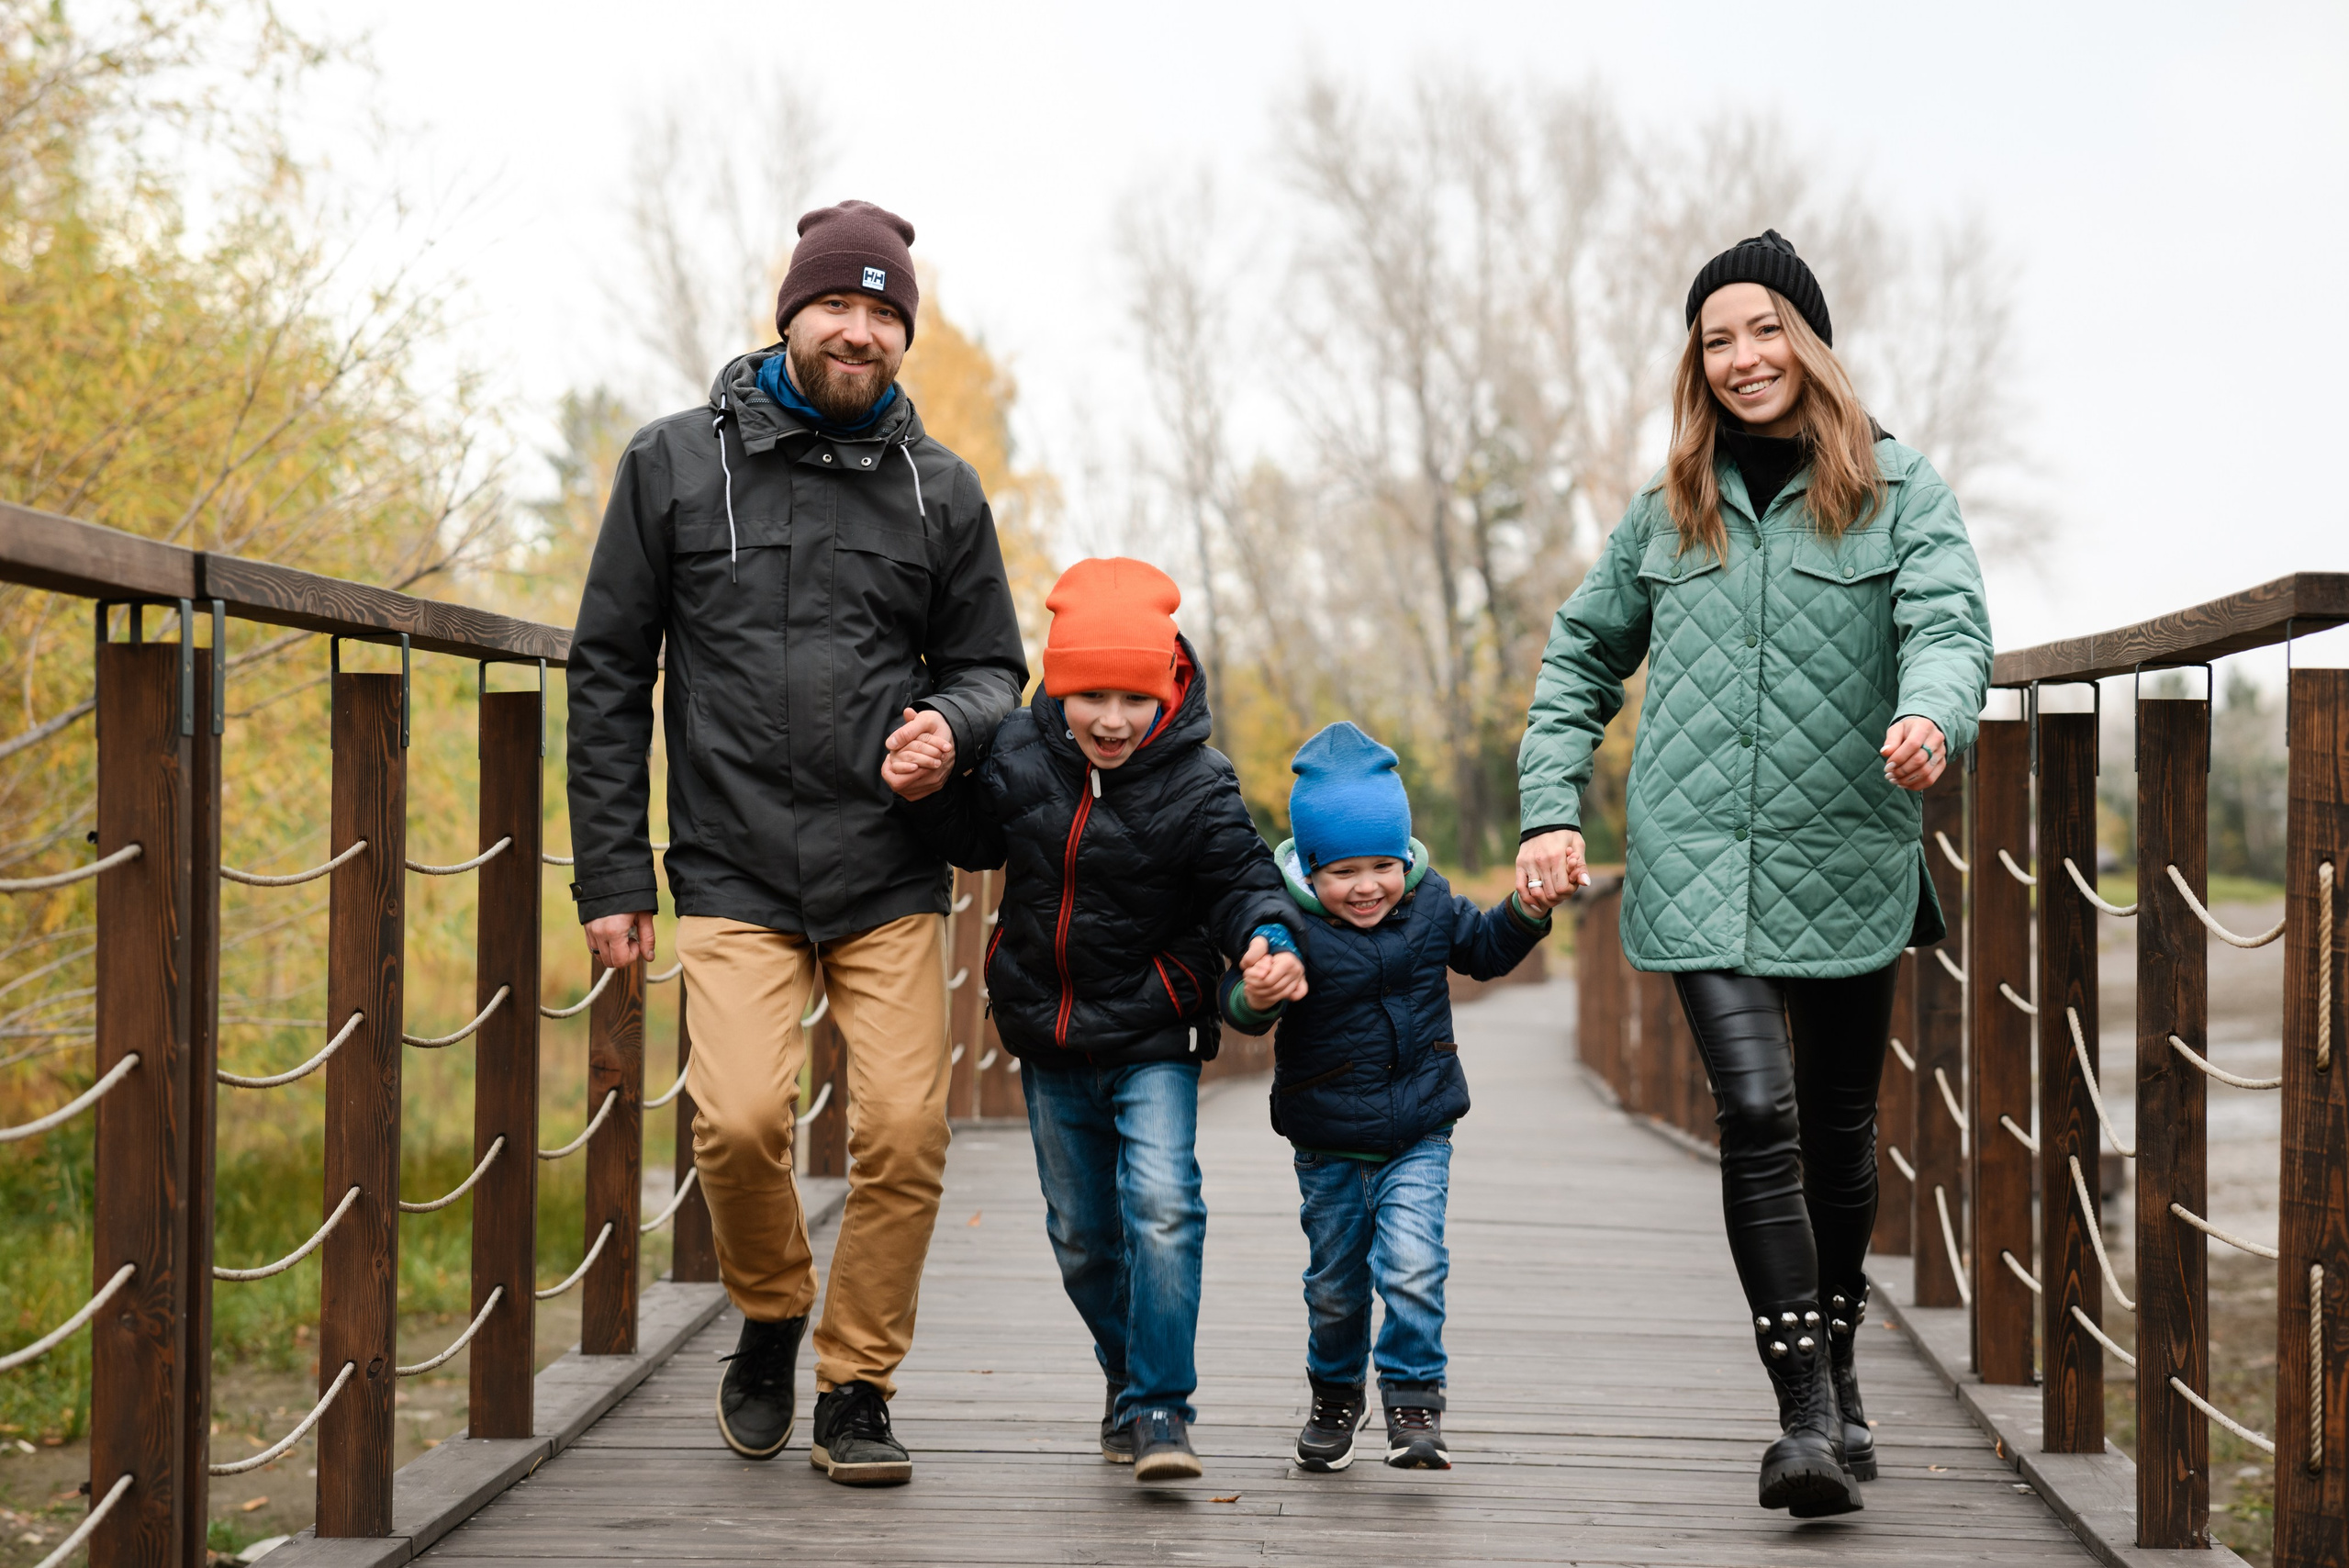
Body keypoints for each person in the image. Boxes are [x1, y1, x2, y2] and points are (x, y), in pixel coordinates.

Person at [1515, 230, 1991, 1518]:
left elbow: (1948, 625)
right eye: (1715, 339)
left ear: (1811, 343)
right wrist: (1545, 809)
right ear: (1696, 363)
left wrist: (1931, 717)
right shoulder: (1667, 509)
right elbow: (1576, 658)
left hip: (1843, 848)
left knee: (1838, 1136)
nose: (1740, 359)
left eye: (1763, 330)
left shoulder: (1898, 489)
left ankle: (1835, 1378)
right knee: (1758, 1116)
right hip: (1692, 857)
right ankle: (1797, 1423)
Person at [565, 199, 1028, 1486]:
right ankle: (770, 1310)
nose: (860, 330)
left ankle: (857, 1383)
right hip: (729, 866)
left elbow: (995, 668)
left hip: (887, 867)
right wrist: (612, 869)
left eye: (886, 314)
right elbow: (607, 674)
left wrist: (950, 720)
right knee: (736, 1122)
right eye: (840, 304)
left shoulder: (941, 491)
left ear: (904, 337)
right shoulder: (671, 464)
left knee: (902, 1132)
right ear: (790, 313)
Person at [886, 557, 1299, 1482]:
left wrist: (1268, 939)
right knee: (1080, 1233)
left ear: (1166, 689)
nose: (1112, 719)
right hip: (1048, 1029)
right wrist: (925, 792)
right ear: (1060, 685)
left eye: (1133, 696)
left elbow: (1243, 880)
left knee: (1161, 1205)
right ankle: (1124, 1374)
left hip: (1154, 1030)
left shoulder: (1199, 782)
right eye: (1090, 695)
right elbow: (975, 837)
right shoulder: (1020, 755)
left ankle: (1161, 1407)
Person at [1221, 722, 1559, 1473]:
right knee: (1336, 1286)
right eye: (1343, 871)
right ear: (1310, 870)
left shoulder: (1430, 901)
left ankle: (1413, 1397)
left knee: (1411, 1263)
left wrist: (1528, 911)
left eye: (1384, 863)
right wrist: (1256, 991)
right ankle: (1336, 1393)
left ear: (1406, 855)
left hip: (1419, 1127)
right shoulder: (1286, 925)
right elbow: (1240, 1003)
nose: (1368, 885)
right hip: (1327, 1136)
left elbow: (1483, 949)